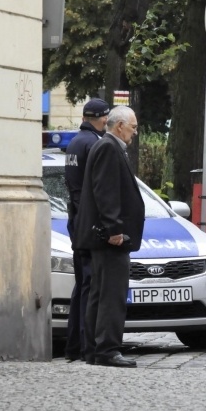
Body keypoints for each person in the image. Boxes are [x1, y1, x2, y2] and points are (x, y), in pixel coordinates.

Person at [74, 106, 145, 367]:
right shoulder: (108, 147)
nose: (134, 133)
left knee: (100, 292)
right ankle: (107, 349)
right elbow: (105, 192)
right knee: (111, 295)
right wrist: (115, 229)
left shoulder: (108, 146)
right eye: (133, 127)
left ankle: (94, 349)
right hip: (110, 237)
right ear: (119, 126)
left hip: (105, 236)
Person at [62, 97, 109, 362]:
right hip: (88, 223)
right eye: (106, 118)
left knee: (81, 286)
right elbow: (98, 189)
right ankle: (86, 346)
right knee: (91, 286)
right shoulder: (95, 144)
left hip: (76, 221)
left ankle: (73, 346)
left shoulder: (75, 142)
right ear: (102, 118)